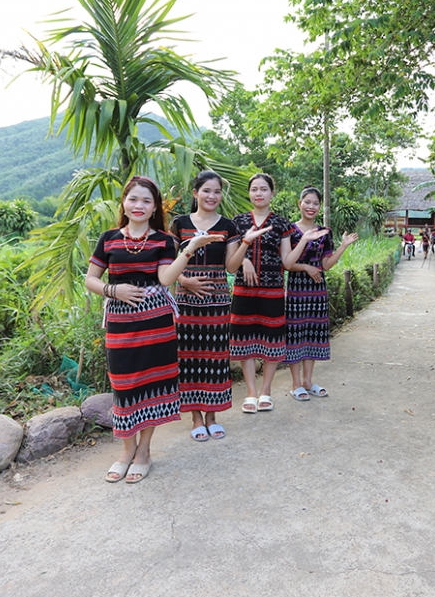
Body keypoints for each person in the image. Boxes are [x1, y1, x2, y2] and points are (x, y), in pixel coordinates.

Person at [86, 175, 222, 483]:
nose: (139, 205)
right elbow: (91, 278)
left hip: (157, 325)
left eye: (146, 200)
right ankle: (125, 450)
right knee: (124, 386)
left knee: (152, 386)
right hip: (120, 324)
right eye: (133, 199)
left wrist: (189, 248)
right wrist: (113, 290)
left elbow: (165, 279)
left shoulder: (163, 240)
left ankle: (144, 451)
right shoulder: (108, 238)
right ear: (124, 202)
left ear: (155, 207)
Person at [168, 171, 271, 442]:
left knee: (215, 359)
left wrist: (246, 241)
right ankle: (195, 418)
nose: (212, 196)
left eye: (216, 192)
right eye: (206, 191)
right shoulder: (179, 223)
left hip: (218, 303)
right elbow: (168, 265)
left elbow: (231, 266)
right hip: (187, 302)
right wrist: (185, 280)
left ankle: (212, 416)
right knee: (189, 359)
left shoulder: (228, 226)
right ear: (195, 193)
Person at [282, 187, 358, 400]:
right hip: (297, 289)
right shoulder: (289, 230)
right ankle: (296, 383)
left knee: (312, 332)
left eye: (315, 203)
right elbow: (287, 262)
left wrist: (343, 246)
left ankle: (308, 380)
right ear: (300, 204)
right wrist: (305, 266)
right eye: (307, 202)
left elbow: (326, 265)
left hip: (317, 290)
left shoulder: (325, 232)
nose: (311, 206)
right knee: (296, 333)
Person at [230, 173, 295, 414]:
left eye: (264, 189)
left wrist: (304, 242)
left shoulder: (281, 223)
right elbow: (231, 259)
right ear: (249, 193)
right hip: (243, 291)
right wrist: (245, 260)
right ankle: (250, 392)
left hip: (272, 291)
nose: (259, 193)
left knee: (272, 339)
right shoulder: (237, 222)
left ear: (272, 193)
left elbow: (287, 261)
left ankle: (266, 390)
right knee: (244, 339)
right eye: (254, 189)